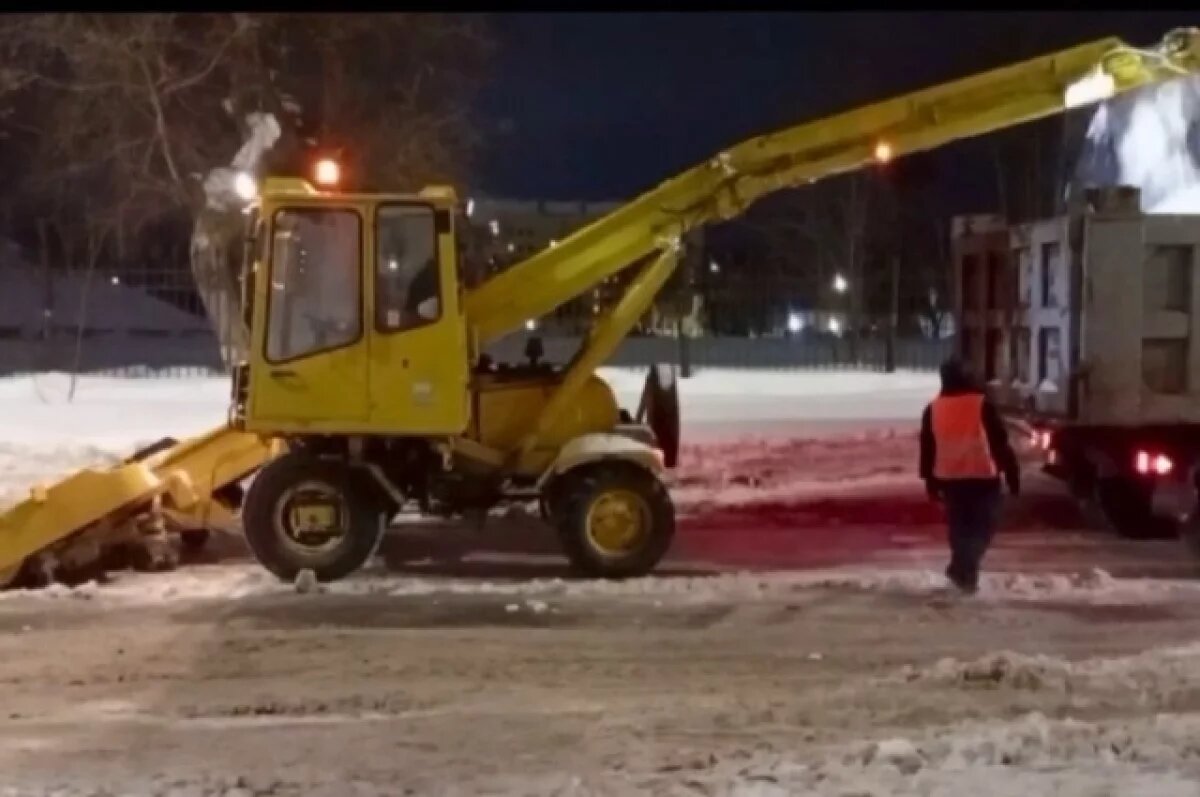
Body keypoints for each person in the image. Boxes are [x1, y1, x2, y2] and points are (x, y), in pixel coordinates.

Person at [919, 358, 1020, 594]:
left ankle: (963, 573)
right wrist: (1013, 473)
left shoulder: (933, 409)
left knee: (959, 528)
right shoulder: (982, 404)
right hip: (982, 475)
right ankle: (963, 569)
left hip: (950, 477)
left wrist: (929, 482)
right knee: (983, 526)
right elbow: (1000, 443)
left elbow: (927, 448)